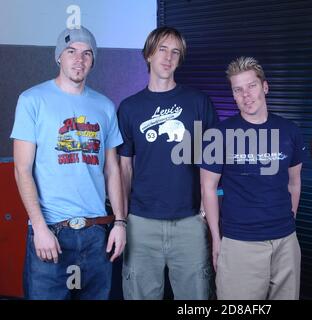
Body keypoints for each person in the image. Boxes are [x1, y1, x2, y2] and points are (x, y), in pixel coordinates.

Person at [11, 26, 126, 300]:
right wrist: (39, 228)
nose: (79, 59)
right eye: (71, 51)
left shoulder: (105, 107)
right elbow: (22, 170)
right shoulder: (31, 100)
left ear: (93, 61)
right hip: (52, 232)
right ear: (58, 57)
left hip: (96, 233)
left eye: (87, 54)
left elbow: (112, 170)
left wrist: (120, 223)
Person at [117, 26, 218, 300]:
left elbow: (213, 160)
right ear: (149, 54)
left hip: (189, 223)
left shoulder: (198, 102)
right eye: (162, 49)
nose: (168, 57)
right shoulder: (129, 107)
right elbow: (124, 168)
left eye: (175, 52)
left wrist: (205, 208)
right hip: (141, 224)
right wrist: (122, 219)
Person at [200, 56, 306, 300]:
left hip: (285, 243)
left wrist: (288, 223)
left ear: (265, 87)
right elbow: (208, 188)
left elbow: (294, 182)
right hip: (240, 243)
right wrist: (217, 240)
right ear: (233, 95)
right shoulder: (219, 135)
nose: (246, 95)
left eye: (251, 86)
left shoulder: (290, 131)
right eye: (238, 90)